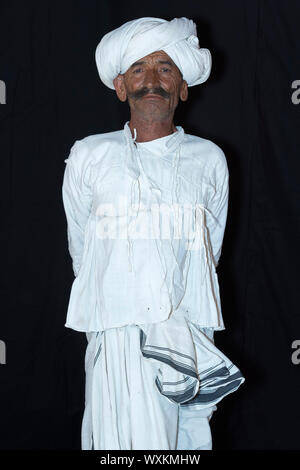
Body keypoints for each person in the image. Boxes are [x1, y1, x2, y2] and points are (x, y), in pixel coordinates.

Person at [62, 16, 245, 450]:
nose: (152, 81)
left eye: (165, 68)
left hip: (187, 335)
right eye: (138, 70)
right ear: (121, 86)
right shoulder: (90, 155)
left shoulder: (210, 159)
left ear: (183, 86)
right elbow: (82, 252)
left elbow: (208, 252)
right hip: (115, 334)